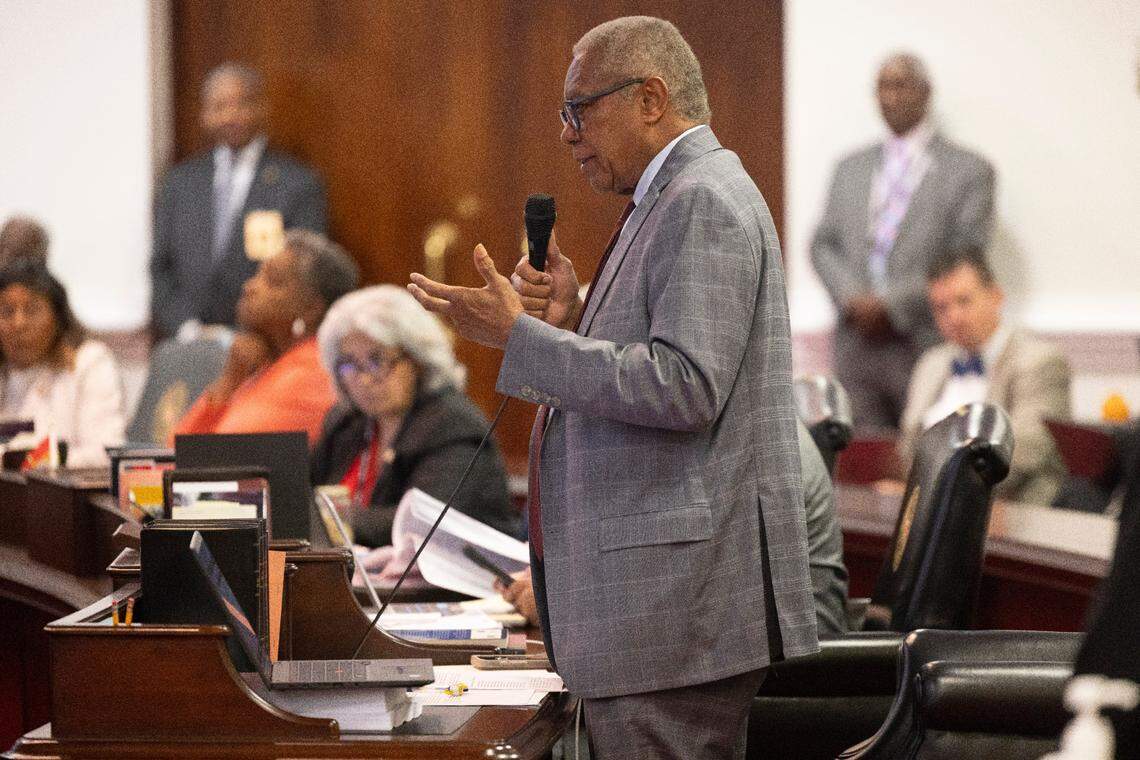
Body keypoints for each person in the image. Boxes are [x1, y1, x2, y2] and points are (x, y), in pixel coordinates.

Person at [408, 16, 816, 759]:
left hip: (674, 610)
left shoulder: (702, 198)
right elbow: (664, 360)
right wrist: (569, 322)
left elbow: (686, 386)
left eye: (580, 109)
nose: (567, 133)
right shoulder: (668, 198)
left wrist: (525, 339)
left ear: (651, 98)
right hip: (653, 612)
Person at [500, 418, 849, 637]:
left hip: (790, 666)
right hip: (746, 641)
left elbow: (685, 586)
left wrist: (562, 600)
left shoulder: (746, 433)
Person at [810, 53, 995, 432]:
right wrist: (852, 297)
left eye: (901, 85)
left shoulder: (969, 171)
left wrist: (890, 304)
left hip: (924, 340)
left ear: (926, 93)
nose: (890, 97)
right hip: (855, 345)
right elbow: (822, 243)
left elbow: (966, 253)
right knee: (862, 469)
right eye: (882, 87)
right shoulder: (850, 168)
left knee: (925, 462)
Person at [310, 284, 519, 547]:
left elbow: (423, 523)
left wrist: (330, 519)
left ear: (418, 360)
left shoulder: (453, 425)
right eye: (350, 364)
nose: (363, 379)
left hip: (446, 583)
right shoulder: (346, 423)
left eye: (377, 361)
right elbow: (304, 497)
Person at [149, 62, 328, 340]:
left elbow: (305, 272)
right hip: (189, 342)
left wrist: (251, 331)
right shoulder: (179, 182)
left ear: (261, 108)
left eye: (241, 104)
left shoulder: (297, 183)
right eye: (219, 107)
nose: (230, 115)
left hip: (264, 343)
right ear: (204, 114)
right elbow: (161, 268)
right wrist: (187, 327)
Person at [897, 249, 1070, 504]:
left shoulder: (1039, 360)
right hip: (932, 508)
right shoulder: (931, 363)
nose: (953, 317)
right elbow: (908, 445)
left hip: (1013, 510)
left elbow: (1026, 452)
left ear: (996, 296)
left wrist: (943, 494)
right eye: (941, 308)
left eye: (964, 301)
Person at [173, 229, 358, 445]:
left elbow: (215, 456)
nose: (249, 287)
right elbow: (175, 452)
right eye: (257, 275)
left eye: (272, 281)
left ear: (311, 308)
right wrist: (229, 382)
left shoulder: (313, 372)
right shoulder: (267, 361)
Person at [0, 261, 126, 466]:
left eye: (32, 310)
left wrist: (26, 461)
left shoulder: (88, 363)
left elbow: (105, 453)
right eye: (7, 312)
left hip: (64, 494)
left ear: (58, 318)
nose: (18, 324)